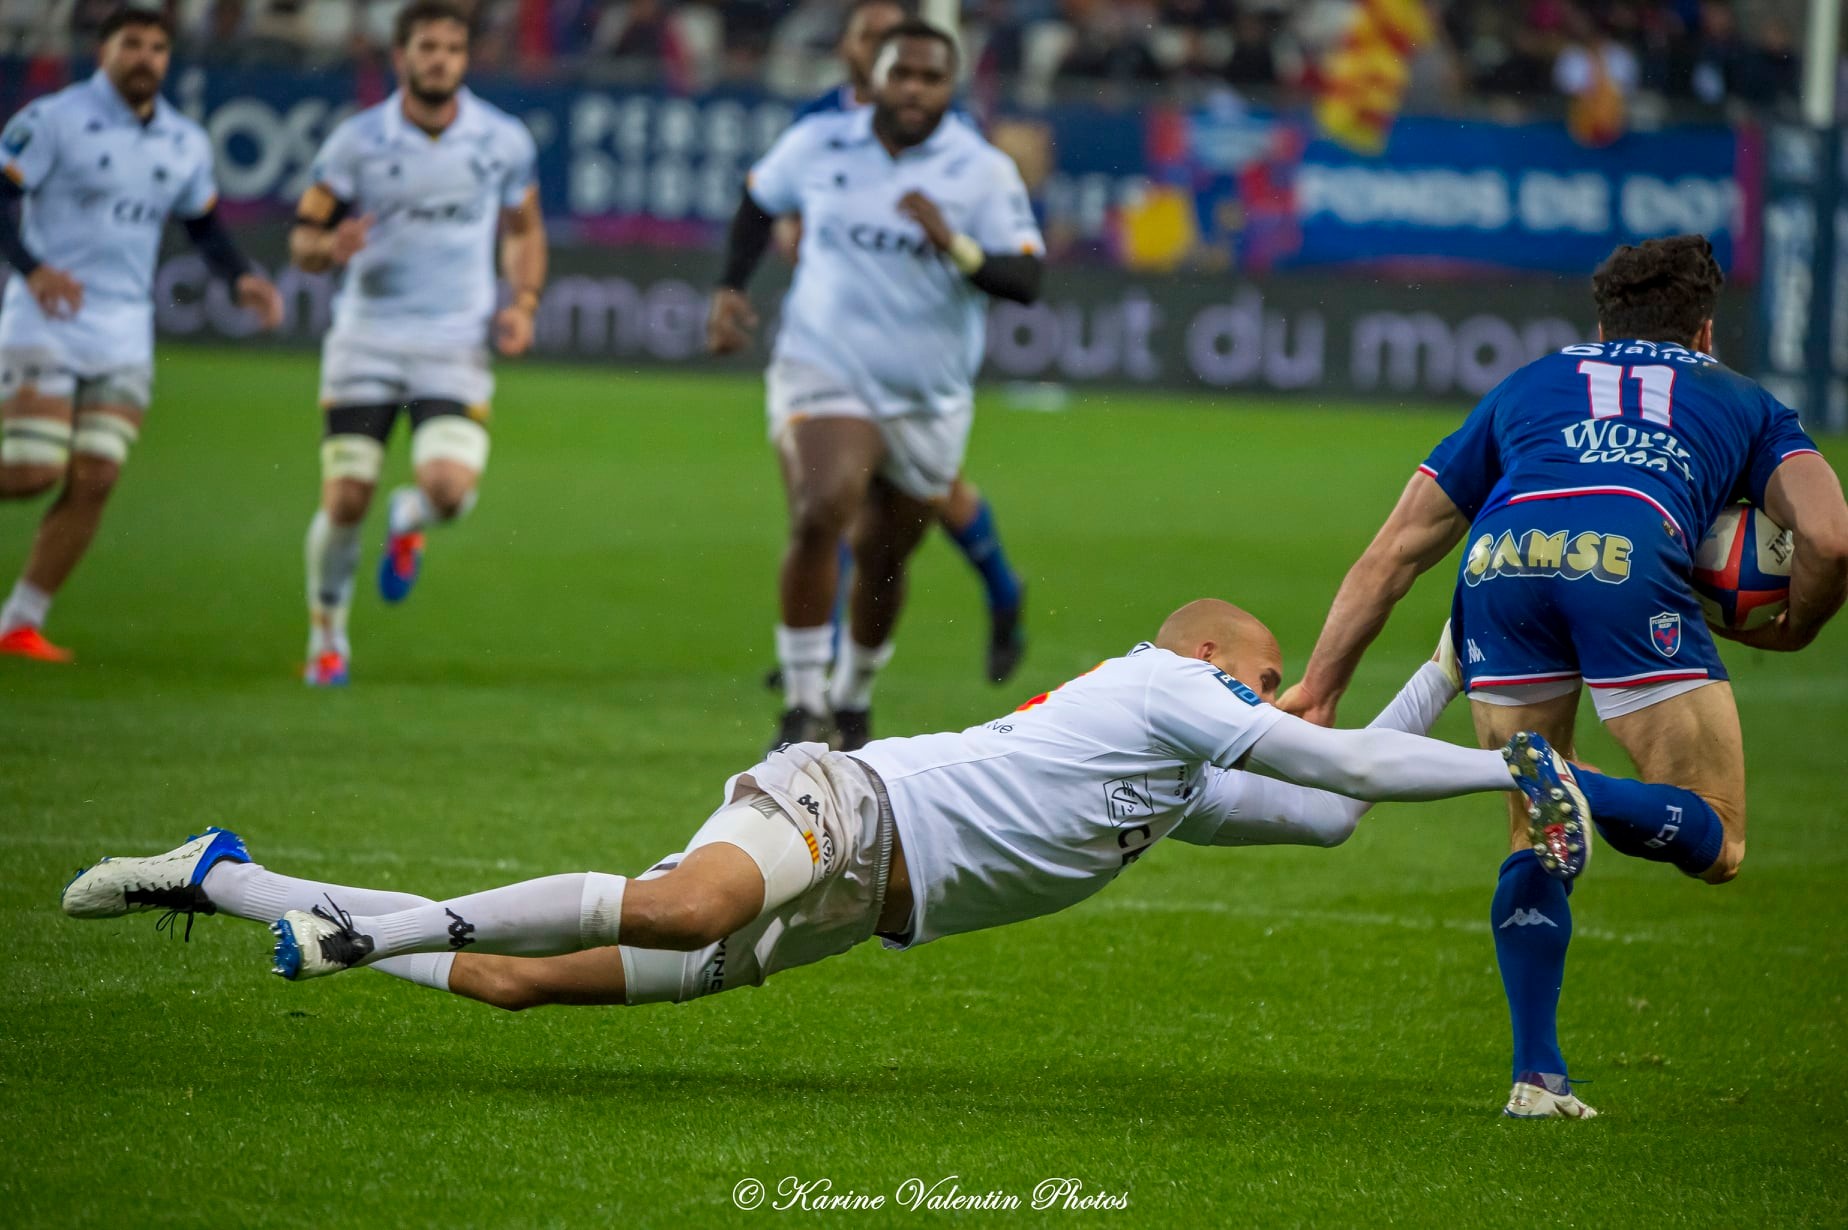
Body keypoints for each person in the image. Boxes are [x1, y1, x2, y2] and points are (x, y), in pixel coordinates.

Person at [70, 599, 1643, 1041]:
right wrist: (1526, 770)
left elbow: (1338, 806)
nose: (1283, 693)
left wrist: (1449, 665)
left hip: (855, 905)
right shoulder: (1161, 686)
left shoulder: (1181, 781)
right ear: (1211, 660)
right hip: (847, 799)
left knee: (514, 986)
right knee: (675, 905)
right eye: (1268, 673)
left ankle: (227, 877)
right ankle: (369, 930)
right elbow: (1348, 765)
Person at [1279, 234, 1848, 1118]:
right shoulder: (1744, 400)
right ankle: (1576, 784)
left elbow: (1397, 550)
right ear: (1704, 332)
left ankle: (1538, 1079)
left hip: (1501, 557)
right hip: (1627, 556)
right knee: (1720, 839)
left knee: (1535, 834)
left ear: (1600, 323)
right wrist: (1797, 627)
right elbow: (1830, 537)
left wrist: (1318, 691)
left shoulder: (1530, 383)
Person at [708, 18, 1042, 752]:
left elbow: (1026, 279)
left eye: (931, 78)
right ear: (876, 79)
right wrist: (731, 286)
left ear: (950, 88)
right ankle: (802, 705)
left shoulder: (980, 170)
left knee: (888, 555)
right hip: (822, 365)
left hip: (928, 396)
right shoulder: (822, 141)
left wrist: (953, 244)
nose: (915, 89)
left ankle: (853, 697)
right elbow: (759, 198)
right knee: (821, 507)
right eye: (903, 75)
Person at [0, 7, 283, 663]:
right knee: (33, 470)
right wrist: (33, 268)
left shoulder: (184, 140)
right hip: (46, 317)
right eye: (133, 44)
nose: (146, 58)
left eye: (158, 47)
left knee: (97, 475)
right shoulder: (52, 120)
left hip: (125, 328)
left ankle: (20, 621)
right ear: (104, 50)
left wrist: (240, 277)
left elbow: (203, 223)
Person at [289, 0, 546, 686]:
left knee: (451, 492)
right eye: (427, 47)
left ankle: (410, 516)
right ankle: (328, 642)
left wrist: (522, 302)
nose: (440, 60)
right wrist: (325, 247)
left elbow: (523, 229)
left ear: (465, 59)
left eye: (452, 49)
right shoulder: (356, 143)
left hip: (454, 341)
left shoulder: (501, 139)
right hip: (367, 338)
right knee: (345, 499)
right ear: (400, 56)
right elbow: (303, 238)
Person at [777, 0, 1031, 690]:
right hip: (836, 343)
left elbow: (994, 233)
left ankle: (1003, 592)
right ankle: (824, 659)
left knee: (929, 500)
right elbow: (782, 202)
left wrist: (955, 244)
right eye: (868, 36)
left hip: (920, 356)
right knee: (834, 497)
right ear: (855, 51)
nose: (879, 47)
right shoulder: (821, 124)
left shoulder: (948, 133)